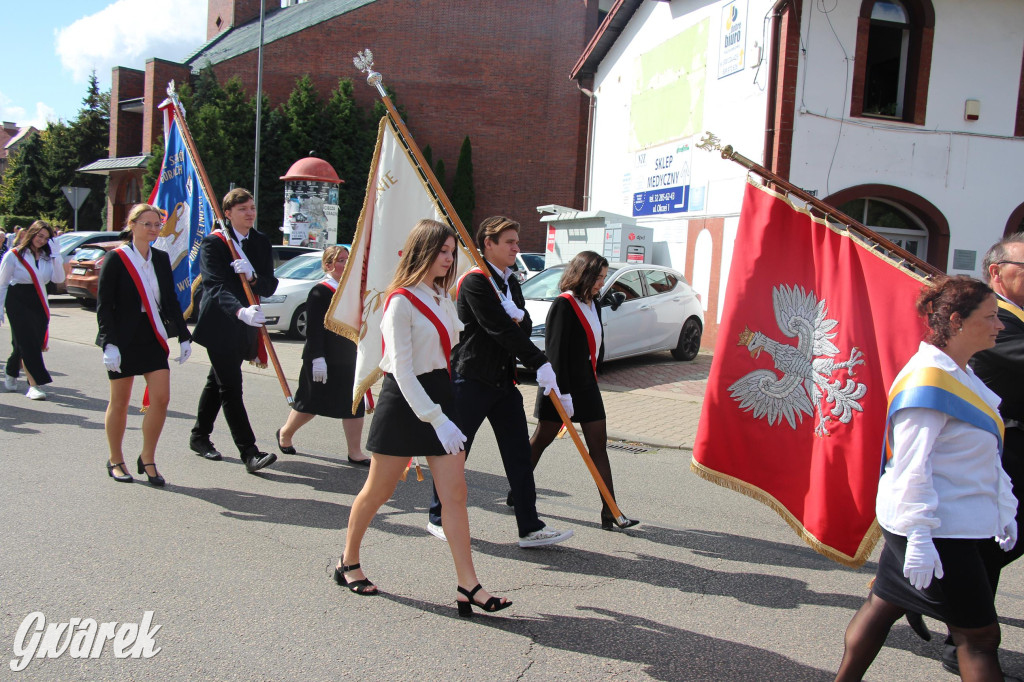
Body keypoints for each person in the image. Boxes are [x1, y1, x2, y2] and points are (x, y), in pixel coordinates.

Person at [834, 276, 1018, 682]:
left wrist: (1004, 505)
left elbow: (984, 454)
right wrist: (918, 536)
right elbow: (909, 467)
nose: (1000, 326)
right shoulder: (930, 379)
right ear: (956, 321)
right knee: (981, 639)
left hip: (949, 524)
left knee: (882, 606)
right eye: (991, 317)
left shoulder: (961, 374)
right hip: (936, 531)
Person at [335, 218, 511, 617]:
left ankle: (469, 585)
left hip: (440, 399)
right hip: (406, 403)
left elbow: (457, 336)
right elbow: (400, 369)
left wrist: (507, 309)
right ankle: (348, 560)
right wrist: (435, 417)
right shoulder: (399, 301)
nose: (449, 259)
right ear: (422, 251)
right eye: (442, 251)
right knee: (378, 491)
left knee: (456, 494)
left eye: (452, 252)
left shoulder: (439, 296)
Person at [427, 216, 573, 548]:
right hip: (471, 378)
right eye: (509, 242)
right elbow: (499, 330)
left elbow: (522, 325)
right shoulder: (475, 282)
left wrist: (519, 315)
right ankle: (437, 516)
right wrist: (539, 359)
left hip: (503, 383)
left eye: (516, 242)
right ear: (487, 244)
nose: (516, 248)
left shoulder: (511, 282)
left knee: (519, 453)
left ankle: (529, 526)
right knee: (456, 451)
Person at [921, 235, 1024, 676]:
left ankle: (930, 606)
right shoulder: (992, 321)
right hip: (1003, 452)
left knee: (992, 549)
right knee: (988, 549)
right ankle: (963, 636)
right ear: (997, 271)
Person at [525, 251, 638, 530]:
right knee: (541, 440)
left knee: (599, 446)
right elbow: (555, 353)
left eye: (603, 278)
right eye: (598, 277)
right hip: (560, 386)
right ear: (584, 274)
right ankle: (519, 488)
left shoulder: (594, 303)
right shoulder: (564, 305)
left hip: (587, 385)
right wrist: (562, 394)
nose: (602, 283)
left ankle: (609, 509)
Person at [96, 204, 192, 485]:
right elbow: (104, 306)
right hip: (123, 337)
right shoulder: (116, 258)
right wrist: (108, 343)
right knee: (121, 402)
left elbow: (171, 301)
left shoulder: (161, 258)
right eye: (147, 223)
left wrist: (184, 335)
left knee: (161, 398)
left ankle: (147, 457)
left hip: (151, 334)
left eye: (156, 224)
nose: (153, 228)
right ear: (132, 225)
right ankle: (115, 459)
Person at [189, 188, 279, 474]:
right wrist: (239, 311)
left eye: (252, 207)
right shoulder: (214, 244)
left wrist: (253, 276)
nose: (250, 213)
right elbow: (214, 286)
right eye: (242, 209)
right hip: (221, 324)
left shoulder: (261, 242)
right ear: (227, 214)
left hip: (247, 325)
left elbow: (270, 284)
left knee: (216, 382)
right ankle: (249, 452)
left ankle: (199, 436)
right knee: (231, 386)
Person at [276, 245, 370, 465]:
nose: (346, 264)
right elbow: (314, 329)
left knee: (354, 404)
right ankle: (285, 434)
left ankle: (355, 452)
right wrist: (318, 358)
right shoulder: (321, 290)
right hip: (323, 358)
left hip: (348, 356)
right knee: (310, 404)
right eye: (340, 260)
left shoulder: (352, 289)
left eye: (348, 259)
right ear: (328, 265)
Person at [0, 220, 64, 400]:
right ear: (31, 233)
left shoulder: (47, 257)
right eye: (39, 235)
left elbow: (58, 277)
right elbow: (2, 284)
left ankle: (11, 370)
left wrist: (57, 255)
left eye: (46, 237)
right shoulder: (14, 255)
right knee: (29, 343)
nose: (41, 240)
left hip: (39, 300)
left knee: (25, 343)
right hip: (17, 299)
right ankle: (34, 385)